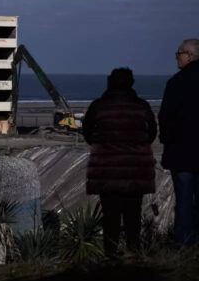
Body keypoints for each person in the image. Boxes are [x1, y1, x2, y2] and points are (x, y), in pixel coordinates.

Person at [83, 68, 157, 258]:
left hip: (106, 169)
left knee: (110, 216)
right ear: (131, 83)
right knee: (134, 215)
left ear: (110, 82)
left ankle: (111, 254)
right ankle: (134, 252)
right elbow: (152, 134)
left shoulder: (99, 106)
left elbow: (87, 134)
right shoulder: (142, 106)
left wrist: (103, 145)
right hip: (136, 168)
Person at [159, 39, 199, 246]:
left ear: (190, 56)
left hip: (181, 154)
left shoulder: (175, 83)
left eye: (180, 53)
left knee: (183, 202)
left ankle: (184, 244)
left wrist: (167, 141)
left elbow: (165, 119)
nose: (177, 56)